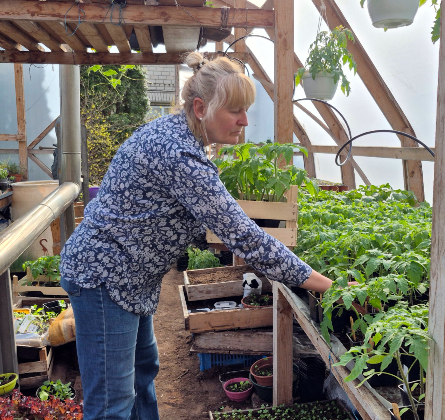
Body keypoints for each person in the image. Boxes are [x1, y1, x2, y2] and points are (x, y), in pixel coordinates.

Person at [59, 52, 336, 420]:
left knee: (143, 374)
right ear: (201, 107)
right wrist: (325, 284)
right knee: (112, 403)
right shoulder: (178, 153)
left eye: (246, 109)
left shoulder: (177, 135)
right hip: (106, 278)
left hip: (131, 278)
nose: (244, 120)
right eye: (235, 110)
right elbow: (244, 237)